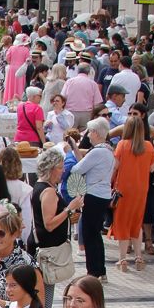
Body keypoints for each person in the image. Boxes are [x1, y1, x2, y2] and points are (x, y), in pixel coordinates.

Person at [30, 145, 82, 308]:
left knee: (42, 293)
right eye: (60, 167)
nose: (63, 170)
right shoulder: (48, 191)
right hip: (48, 251)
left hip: (43, 248)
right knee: (45, 297)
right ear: (51, 169)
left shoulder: (39, 186)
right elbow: (49, 224)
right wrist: (69, 209)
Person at [109, 111, 154, 273]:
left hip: (123, 189)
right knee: (137, 222)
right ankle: (138, 257)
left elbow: (114, 167)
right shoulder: (149, 146)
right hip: (141, 189)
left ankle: (122, 258)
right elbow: (152, 168)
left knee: (122, 222)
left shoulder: (122, 145)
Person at [69, 119, 116, 280]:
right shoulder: (108, 150)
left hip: (93, 195)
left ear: (95, 133)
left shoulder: (97, 152)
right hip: (103, 195)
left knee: (90, 234)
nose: (88, 135)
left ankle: (93, 271)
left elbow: (77, 169)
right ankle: (99, 270)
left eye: (89, 132)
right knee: (95, 234)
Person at [0, 202, 39, 305]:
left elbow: (37, 303)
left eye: (1, 233)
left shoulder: (26, 263)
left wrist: (5, 305)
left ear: (14, 234)